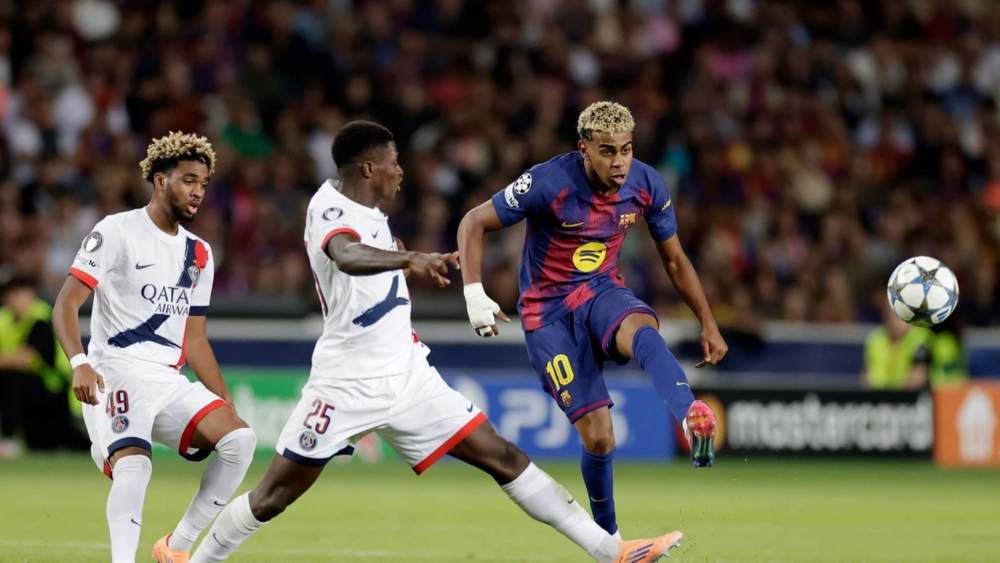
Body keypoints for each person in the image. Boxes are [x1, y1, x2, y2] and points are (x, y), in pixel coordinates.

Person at [191, 121, 681, 563]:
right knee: (274, 495)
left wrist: (416, 262)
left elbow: (373, 262)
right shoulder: (329, 208)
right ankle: (193, 558)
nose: (401, 172)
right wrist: (406, 260)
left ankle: (611, 551)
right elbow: (347, 255)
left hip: (408, 375)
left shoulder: (372, 212)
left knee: (503, 457)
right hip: (346, 382)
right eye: (393, 163)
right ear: (368, 167)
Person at [458, 101, 726, 537]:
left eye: (625, 149)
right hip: (548, 314)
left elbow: (674, 261)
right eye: (607, 151)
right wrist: (474, 293)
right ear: (583, 149)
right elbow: (473, 222)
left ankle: (687, 413)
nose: (619, 162)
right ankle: (610, 540)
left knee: (642, 327)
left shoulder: (646, 184)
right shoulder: (548, 182)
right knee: (599, 438)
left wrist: (707, 322)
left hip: (600, 291)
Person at [52, 132, 257, 563]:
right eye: (188, 180)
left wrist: (221, 396)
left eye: (202, 183)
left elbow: (194, 337)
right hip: (116, 370)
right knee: (135, 465)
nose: (198, 191)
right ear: (160, 181)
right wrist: (80, 362)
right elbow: (66, 304)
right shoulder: (116, 230)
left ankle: (176, 548)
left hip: (167, 378)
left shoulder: (200, 253)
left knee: (241, 440)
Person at [0, 276, 87, 457]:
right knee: (42, 445)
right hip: (31, 392)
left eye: (20, 294)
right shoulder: (4, 319)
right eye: (12, 295)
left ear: (31, 296)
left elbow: (26, 359)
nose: (16, 300)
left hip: (55, 387)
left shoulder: (43, 318)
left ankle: (8, 438)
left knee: (12, 379)